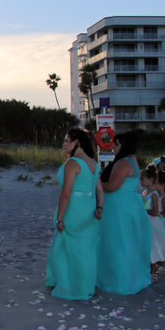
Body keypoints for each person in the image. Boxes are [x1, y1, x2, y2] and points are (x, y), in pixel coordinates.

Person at [45, 128, 103, 300]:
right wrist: (100, 208)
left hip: (74, 208)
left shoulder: (73, 163)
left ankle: (68, 285)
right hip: (89, 208)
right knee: (85, 249)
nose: (64, 144)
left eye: (66, 141)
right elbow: (99, 190)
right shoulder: (94, 163)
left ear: (76, 142)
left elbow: (66, 193)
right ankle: (85, 285)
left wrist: (60, 217)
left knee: (64, 248)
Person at [96, 133, 152, 295]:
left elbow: (113, 186)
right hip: (130, 205)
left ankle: (117, 280)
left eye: (116, 144)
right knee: (127, 242)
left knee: (116, 243)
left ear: (124, 145)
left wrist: (98, 183)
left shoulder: (123, 163)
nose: (113, 147)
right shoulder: (133, 160)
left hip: (118, 207)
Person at [140, 166, 165, 277]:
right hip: (146, 222)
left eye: (142, 179)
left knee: (154, 246)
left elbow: (155, 212)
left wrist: (143, 210)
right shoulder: (144, 193)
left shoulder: (154, 195)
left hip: (152, 223)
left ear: (150, 179)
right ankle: (153, 266)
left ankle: (155, 268)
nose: (140, 181)